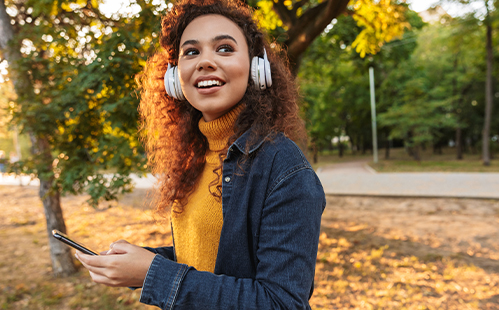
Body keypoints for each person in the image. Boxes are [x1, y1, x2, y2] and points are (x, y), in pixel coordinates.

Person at [76, 0, 326, 309]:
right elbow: (209, 256)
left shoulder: (284, 169)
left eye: (224, 48)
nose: (205, 62)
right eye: (191, 52)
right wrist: (141, 262)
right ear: (174, 77)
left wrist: (155, 273)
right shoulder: (194, 156)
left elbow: (280, 302)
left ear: (256, 68)